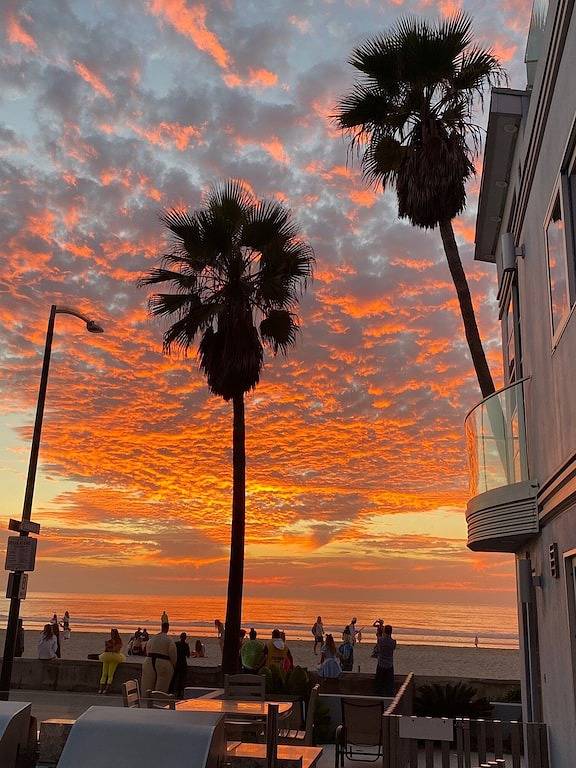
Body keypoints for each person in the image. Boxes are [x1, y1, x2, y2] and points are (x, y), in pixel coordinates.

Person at [141, 622, 177, 695]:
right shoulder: (169, 640)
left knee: (147, 684)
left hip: (149, 661)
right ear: (168, 628)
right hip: (163, 662)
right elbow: (173, 654)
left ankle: (146, 698)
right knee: (162, 686)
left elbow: (147, 649)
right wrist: (173, 665)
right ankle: (158, 700)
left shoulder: (153, 638)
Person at [98, 628, 124, 694]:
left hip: (106, 656)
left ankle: (101, 689)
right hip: (114, 657)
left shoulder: (109, 641)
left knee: (104, 673)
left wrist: (108, 646)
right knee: (110, 674)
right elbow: (116, 650)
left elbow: (106, 650)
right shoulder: (119, 641)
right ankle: (106, 689)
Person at [374, 624, 396, 696]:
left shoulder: (380, 640)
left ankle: (379, 695)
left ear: (384, 631)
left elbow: (378, 649)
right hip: (389, 664)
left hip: (381, 664)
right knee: (389, 683)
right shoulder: (393, 642)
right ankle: (389, 695)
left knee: (379, 682)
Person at [172, 632, 190, 698]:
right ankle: (179, 694)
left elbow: (173, 652)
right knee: (182, 679)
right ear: (185, 638)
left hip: (177, 662)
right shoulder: (186, 645)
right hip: (183, 663)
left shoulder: (176, 644)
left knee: (174, 678)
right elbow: (188, 655)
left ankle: (172, 691)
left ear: (180, 637)